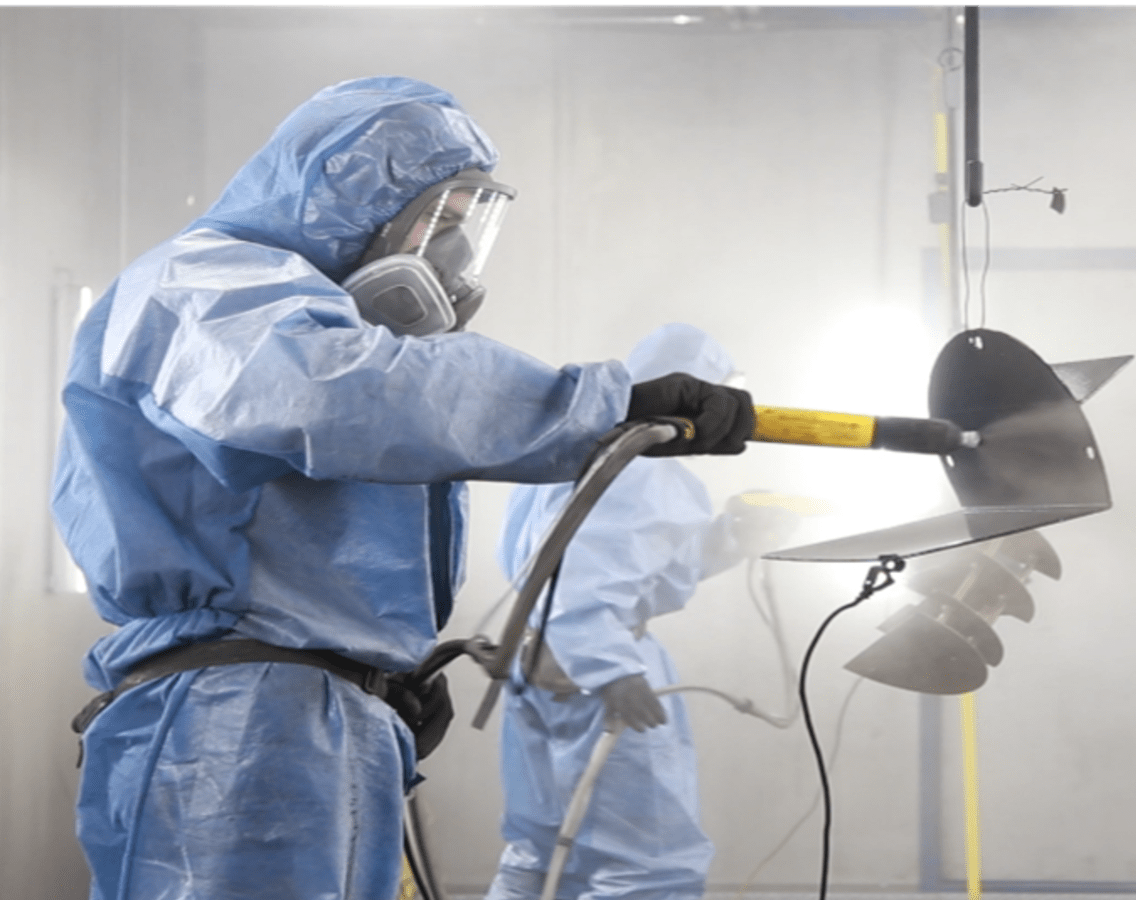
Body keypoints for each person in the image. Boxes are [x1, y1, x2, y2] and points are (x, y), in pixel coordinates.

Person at [51, 78, 754, 900]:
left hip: (305, 708)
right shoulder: (205, 283)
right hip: (235, 713)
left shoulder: (321, 318)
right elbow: (328, 396)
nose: (452, 255)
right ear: (347, 199)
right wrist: (604, 404)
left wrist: (379, 670)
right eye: (439, 221)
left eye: (467, 227)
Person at [486, 323, 793, 900]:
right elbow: (585, 582)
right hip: (596, 674)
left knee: (539, 854)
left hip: (535, 663)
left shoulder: (576, 451)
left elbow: (629, 568)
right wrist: (613, 669)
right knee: (651, 867)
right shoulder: (645, 468)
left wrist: (730, 537)